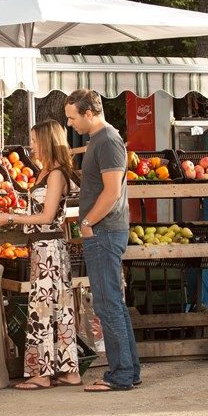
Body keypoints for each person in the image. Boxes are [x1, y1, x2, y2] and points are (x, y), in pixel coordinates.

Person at [0, 119, 81, 390]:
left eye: (35, 140)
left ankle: (41, 373)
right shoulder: (46, 171)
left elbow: (48, 215)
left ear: (48, 141)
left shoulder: (55, 174)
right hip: (44, 246)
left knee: (43, 307)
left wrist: (11, 218)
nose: (31, 145)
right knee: (58, 307)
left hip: (49, 247)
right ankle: (68, 370)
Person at [64, 88, 141, 392]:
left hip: (104, 231)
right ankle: (129, 371)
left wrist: (87, 222)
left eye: (72, 118)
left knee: (108, 305)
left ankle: (120, 375)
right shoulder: (99, 140)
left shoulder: (107, 141)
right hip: (104, 230)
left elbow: (112, 192)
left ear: (89, 113)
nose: (70, 124)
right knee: (114, 305)